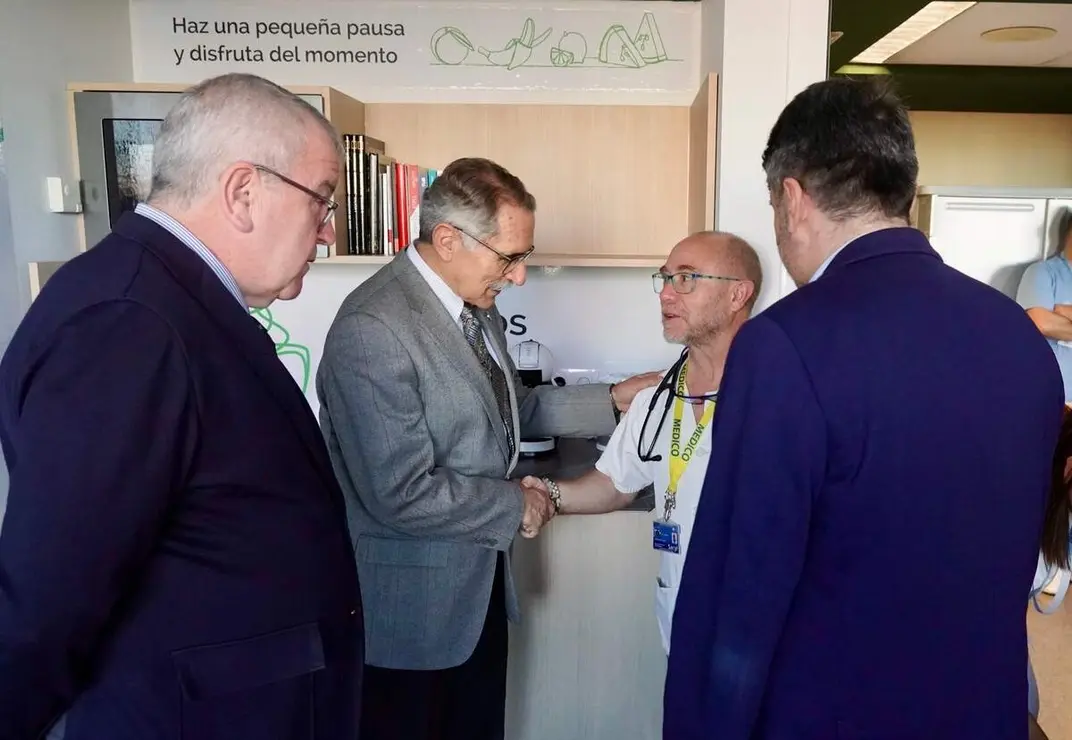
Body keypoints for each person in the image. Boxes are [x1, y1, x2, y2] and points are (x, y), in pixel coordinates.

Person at [663, 77, 1065, 739]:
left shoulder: (784, 344)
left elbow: (738, 593)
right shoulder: (1016, 336)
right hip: (983, 711)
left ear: (793, 199)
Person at [0, 73, 363, 740]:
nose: (328, 231)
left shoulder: (172, 299)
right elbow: (48, 600)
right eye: (321, 201)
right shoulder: (128, 323)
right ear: (244, 192)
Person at [315, 156, 660, 740]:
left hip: (477, 592)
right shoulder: (373, 328)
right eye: (509, 258)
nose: (519, 277)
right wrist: (517, 503)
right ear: (448, 240)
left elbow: (514, 410)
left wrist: (612, 398)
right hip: (411, 616)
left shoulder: (474, 307)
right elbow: (400, 492)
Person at [522, 231, 761, 655]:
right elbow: (614, 484)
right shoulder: (658, 397)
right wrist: (547, 495)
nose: (666, 294)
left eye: (686, 278)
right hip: (679, 618)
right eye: (665, 278)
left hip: (757, 622)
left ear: (737, 294)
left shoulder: (779, 395)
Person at [1017, 208, 1072, 402]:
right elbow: (1040, 322)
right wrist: (1058, 316)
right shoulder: (1043, 272)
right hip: (1057, 400)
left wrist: (1063, 313)